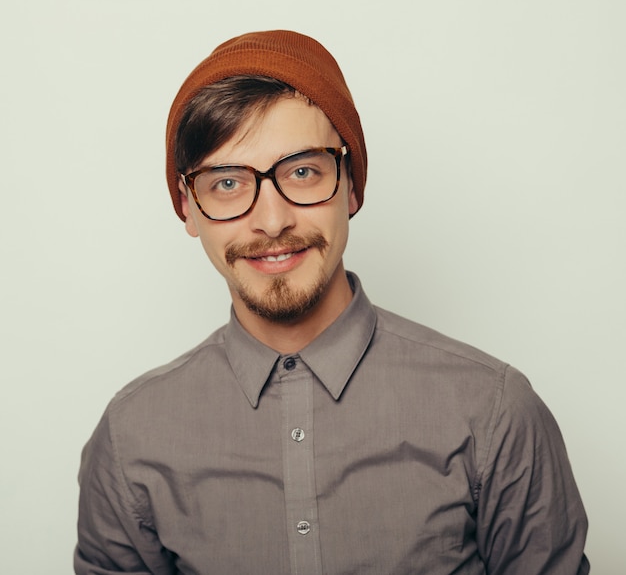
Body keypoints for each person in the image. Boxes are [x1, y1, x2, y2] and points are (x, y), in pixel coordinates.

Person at [75, 30, 589, 574]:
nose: (272, 221)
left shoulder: (495, 412)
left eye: (302, 172)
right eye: (226, 183)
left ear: (351, 186)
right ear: (189, 207)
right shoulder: (131, 436)